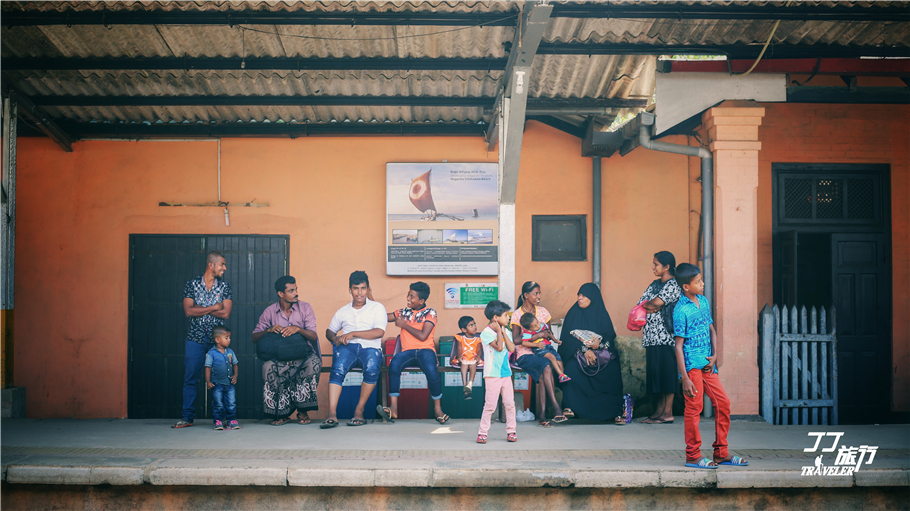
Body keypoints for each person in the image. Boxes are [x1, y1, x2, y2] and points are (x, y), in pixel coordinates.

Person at [673, 263, 748, 468]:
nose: (703, 284)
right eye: (698, 282)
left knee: (723, 404)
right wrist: (685, 378)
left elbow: (711, 330)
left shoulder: (703, 302)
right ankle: (693, 455)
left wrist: (715, 355)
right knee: (694, 408)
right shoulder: (680, 310)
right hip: (692, 367)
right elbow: (678, 346)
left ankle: (721, 453)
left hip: (708, 365)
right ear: (686, 287)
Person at [252, 275, 321, 426]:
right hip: (279, 358)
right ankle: (280, 412)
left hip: (303, 356)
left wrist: (298, 329)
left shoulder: (305, 308)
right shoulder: (269, 312)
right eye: (291, 290)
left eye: (296, 289)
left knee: (314, 363)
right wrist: (268, 330)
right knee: (267, 367)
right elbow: (254, 337)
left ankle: (302, 410)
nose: (296, 293)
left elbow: (313, 335)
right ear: (281, 294)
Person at [173, 251, 232, 429]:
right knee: (190, 378)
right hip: (195, 339)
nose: (224, 268)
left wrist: (201, 308)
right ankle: (188, 417)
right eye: (222, 264)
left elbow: (226, 313)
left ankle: (220, 419)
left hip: (218, 342)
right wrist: (214, 306)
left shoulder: (225, 287)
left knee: (221, 379)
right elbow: (188, 311)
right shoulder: (191, 285)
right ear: (211, 265)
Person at [377, 282, 449, 424]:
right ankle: (394, 408)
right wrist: (372, 305)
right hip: (407, 352)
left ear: (421, 301)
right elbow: (383, 317)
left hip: (426, 351)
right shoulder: (403, 312)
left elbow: (423, 335)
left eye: (412, 296)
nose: (408, 298)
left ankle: (438, 409)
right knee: (394, 364)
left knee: (431, 371)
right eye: (408, 294)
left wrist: (404, 325)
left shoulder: (430, 312)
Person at [323, 271, 387, 428]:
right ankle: (332, 414)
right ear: (349, 289)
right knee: (337, 370)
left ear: (368, 289)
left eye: (363, 288)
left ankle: (359, 411)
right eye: (356, 288)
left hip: (370, 348)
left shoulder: (377, 308)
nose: (359, 292)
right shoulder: (343, 311)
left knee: (372, 369)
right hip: (348, 348)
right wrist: (335, 339)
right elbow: (329, 331)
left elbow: (379, 332)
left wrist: (353, 334)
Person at [558, 283, 627, 424]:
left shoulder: (601, 313)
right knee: (571, 368)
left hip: (600, 355)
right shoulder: (573, 313)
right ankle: (570, 407)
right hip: (578, 354)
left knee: (612, 369)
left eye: (584, 295)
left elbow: (610, 336)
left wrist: (599, 345)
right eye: (579, 295)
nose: (580, 298)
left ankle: (615, 412)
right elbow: (566, 338)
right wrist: (585, 350)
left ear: (593, 297)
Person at [510, 281, 566, 428]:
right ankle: (555, 407)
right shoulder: (517, 315)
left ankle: (542, 415)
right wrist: (535, 337)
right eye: (535, 293)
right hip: (525, 353)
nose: (539, 296)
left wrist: (547, 334)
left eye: (539, 293)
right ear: (525, 295)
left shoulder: (543, 312)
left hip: (543, 351)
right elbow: (516, 340)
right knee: (546, 365)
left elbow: (550, 334)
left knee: (548, 367)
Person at [639, 251, 682, 425]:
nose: (653, 267)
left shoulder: (674, 285)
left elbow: (655, 303)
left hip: (667, 337)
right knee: (656, 375)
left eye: (656, 264)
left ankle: (668, 412)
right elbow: (642, 304)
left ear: (666, 267)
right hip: (651, 337)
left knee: (667, 374)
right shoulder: (654, 284)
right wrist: (650, 306)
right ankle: (658, 412)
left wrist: (653, 305)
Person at [477, 300, 517, 444]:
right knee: (490, 406)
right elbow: (499, 347)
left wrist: (503, 332)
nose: (508, 318)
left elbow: (512, 349)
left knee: (509, 404)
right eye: (506, 315)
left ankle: (511, 431)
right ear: (495, 317)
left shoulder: (507, 331)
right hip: (492, 375)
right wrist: (499, 332)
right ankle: (482, 433)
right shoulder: (486, 333)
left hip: (506, 374)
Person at [205, 326, 239, 430]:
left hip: (229, 383)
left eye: (229, 337)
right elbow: (208, 367)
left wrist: (235, 375)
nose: (229, 340)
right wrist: (208, 381)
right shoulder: (212, 353)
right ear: (217, 339)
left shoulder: (230, 352)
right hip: (217, 384)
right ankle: (218, 421)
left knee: (231, 403)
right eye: (226, 337)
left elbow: (235, 364)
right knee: (218, 404)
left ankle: (231, 420)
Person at [519, 312, 568, 382]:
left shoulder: (542, 325)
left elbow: (549, 333)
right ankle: (561, 375)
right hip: (539, 348)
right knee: (552, 357)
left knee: (559, 360)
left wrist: (555, 340)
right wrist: (536, 345)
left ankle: (563, 376)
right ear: (528, 328)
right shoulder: (528, 332)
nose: (538, 326)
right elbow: (524, 343)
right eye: (535, 326)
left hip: (549, 347)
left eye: (537, 322)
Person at [453, 316, 480, 399]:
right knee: (463, 364)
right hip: (464, 357)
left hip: (473, 358)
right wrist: (460, 356)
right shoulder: (460, 338)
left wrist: (478, 357)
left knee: (473, 364)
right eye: (471, 325)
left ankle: (470, 383)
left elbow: (479, 350)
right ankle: (465, 386)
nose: (474, 326)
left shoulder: (478, 339)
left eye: (474, 324)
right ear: (464, 330)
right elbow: (459, 348)